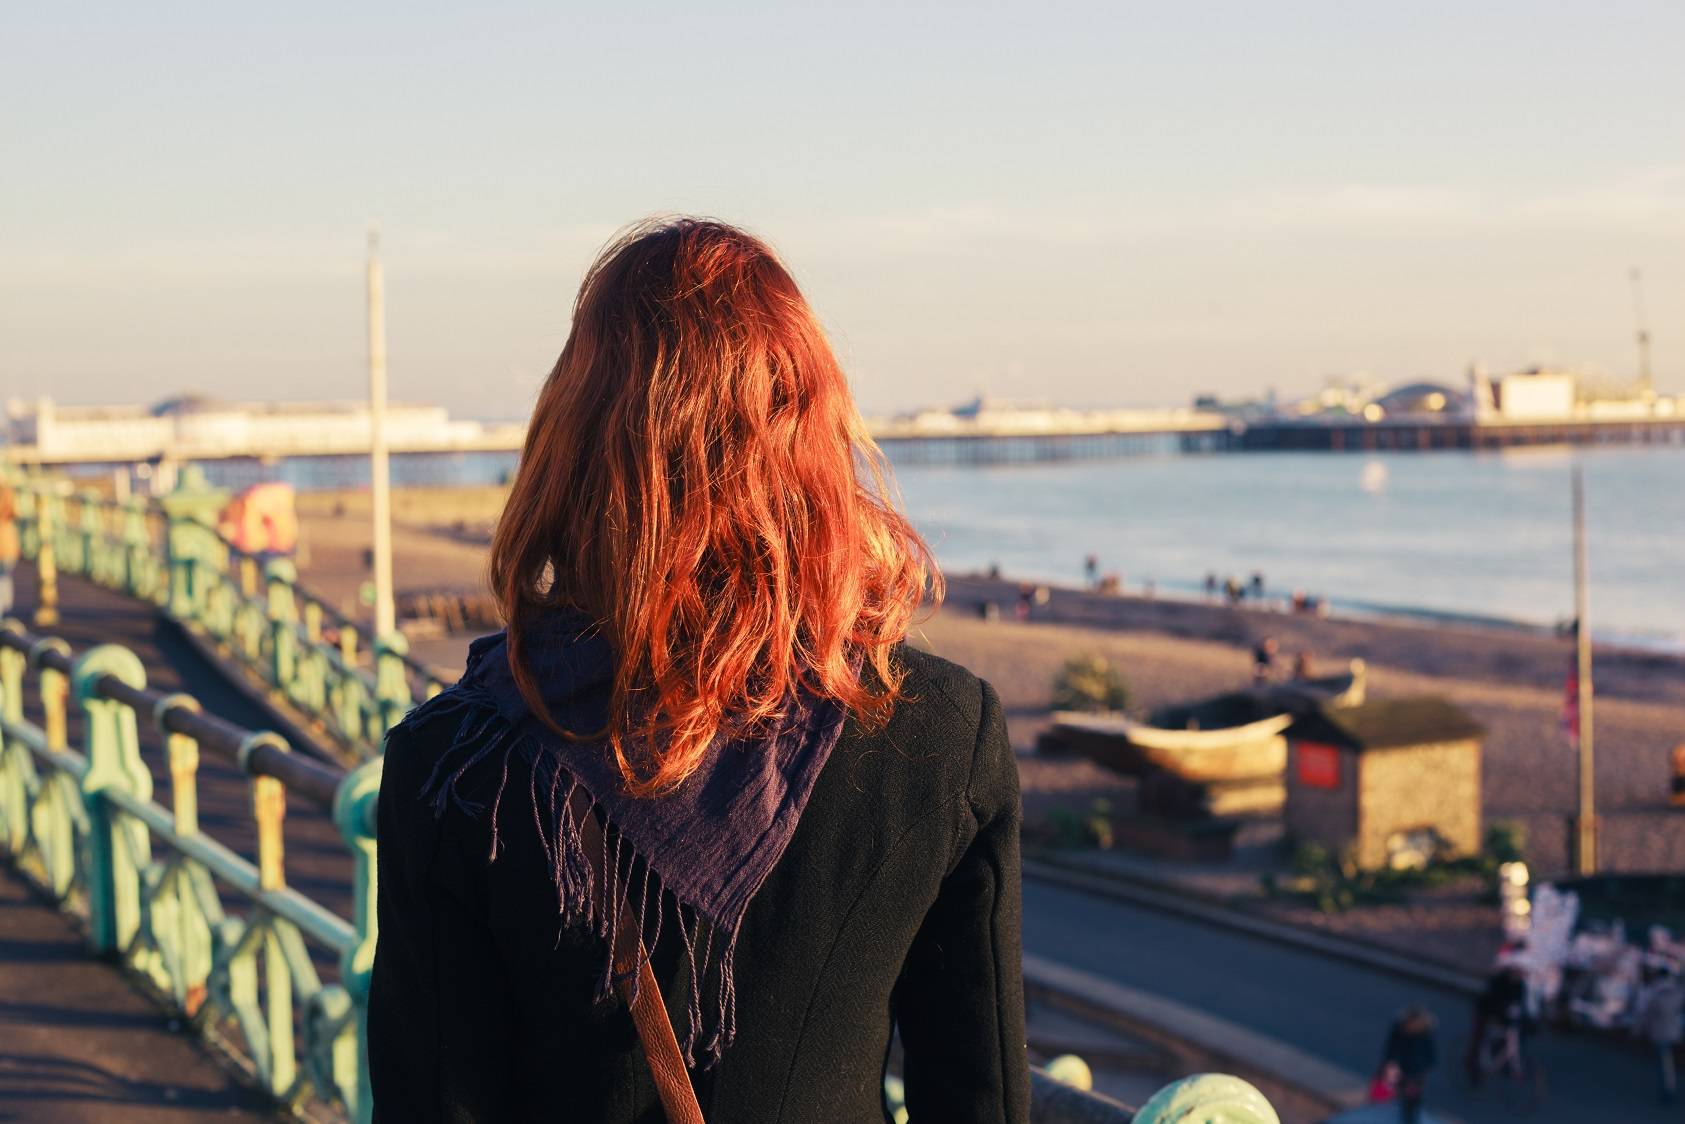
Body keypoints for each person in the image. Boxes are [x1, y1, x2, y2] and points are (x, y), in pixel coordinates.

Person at [368, 219, 1030, 1123]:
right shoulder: (941, 732)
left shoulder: (454, 762)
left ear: (577, 439)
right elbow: (980, 1095)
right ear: (814, 436)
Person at [1379, 1007, 1437, 1123]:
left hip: (1416, 1070)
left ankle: (1410, 1112)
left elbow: (1430, 1052)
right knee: (1398, 1089)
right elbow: (1391, 1049)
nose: (1412, 1027)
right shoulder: (1399, 1031)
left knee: (1412, 1094)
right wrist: (1388, 1063)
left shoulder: (1424, 1033)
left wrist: (1427, 1065)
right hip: (1403, 1068)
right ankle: (1405, 1108)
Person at [1637, 964, 1685, 1103]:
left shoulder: (1653, 991)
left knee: (1664, 1067)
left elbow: (1645, 1013)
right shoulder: (1678, 991)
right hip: (1675, 1031)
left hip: (1660, 1033)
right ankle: (1669, 1091)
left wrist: (1639, 1029)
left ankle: (1667, 1093)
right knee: (1669, 1065)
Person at [0, 482, 18, 618]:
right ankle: (5, 610)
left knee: (4, 578)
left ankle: (4, 611)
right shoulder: (7, 491)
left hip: (5, 547)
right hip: (8, 547)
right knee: (5, 577)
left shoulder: (5, 491)